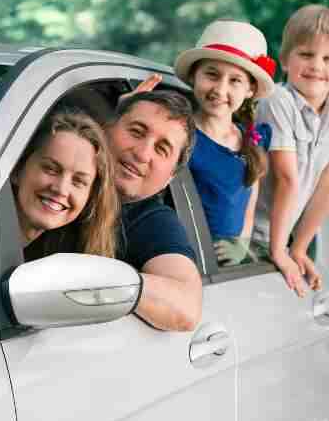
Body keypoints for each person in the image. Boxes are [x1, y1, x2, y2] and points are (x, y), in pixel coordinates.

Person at [253, 4, 329, 297]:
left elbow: (328, 185)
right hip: (249, 236)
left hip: (279, 239)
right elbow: (287, 178)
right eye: (306, 54)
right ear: (285, 59)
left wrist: (298, 248)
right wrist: (279, 251)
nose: (317, 66)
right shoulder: (276, 99)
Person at [173, 19, 276, 266]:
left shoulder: (252, 138)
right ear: (194, 76)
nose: (220, 89)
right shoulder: (180, 134)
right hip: (190, 260)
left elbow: (251, 193)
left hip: (227, 267)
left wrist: (242, 241)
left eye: (235, 81)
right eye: (212, 74)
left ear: (250, 89)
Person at [103, 89, 203, 332]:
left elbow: (187, 308)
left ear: (171, 177)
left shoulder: (151, 221)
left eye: (161, 149)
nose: (142, 153)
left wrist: (96, 280)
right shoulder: (55, 180)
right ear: (105, 131)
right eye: (136, 132)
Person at [13, 107, 120, 259]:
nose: (61, 189)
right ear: (17, 169)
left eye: (78, 181)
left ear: (90, 197)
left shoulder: (71, 263)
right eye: (50, 169)